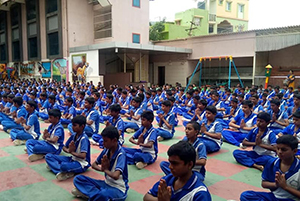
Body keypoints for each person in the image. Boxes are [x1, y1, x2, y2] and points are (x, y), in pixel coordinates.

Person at [72, 126, 129, 200]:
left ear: (114, 140)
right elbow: (94, 165)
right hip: (106, 183)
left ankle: (91, 194)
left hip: (118, 189)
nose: (103, 143)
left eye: (105, 141)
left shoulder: (121, 154)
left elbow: (116, 176)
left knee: (103, 194)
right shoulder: (106, 150)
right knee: (78, 178)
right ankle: (95, 195)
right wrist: (103, 169)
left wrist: (105, 169)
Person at [144, 141, 212, 201]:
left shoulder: (199, 193)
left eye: (175, 163)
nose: (170, 167)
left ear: (190, 164)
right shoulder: (167, 179)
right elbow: (147, 197)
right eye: (170, 162)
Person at [240, 135, 300, 201]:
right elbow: (264, 183)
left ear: (294, 151)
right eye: (278, 148)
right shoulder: (272, 162)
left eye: (284, 150)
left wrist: (285, 187)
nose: (279, 152)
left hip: (291, 199)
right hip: (273, 197)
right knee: (246, 195)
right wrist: (276, 184)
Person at [45, 115, 91, 181]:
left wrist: (72, 152)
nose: (72, 127)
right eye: (72, 125)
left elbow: (83, 156)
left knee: (64, 165)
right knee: (48, 156)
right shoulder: (74, 135)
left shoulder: (84, 139)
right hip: (72, 159)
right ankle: (62, 170)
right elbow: (64, 146)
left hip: (81, 163)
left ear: (82, 126)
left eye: (75, 125)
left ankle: (57, 168)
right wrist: (68, 150)